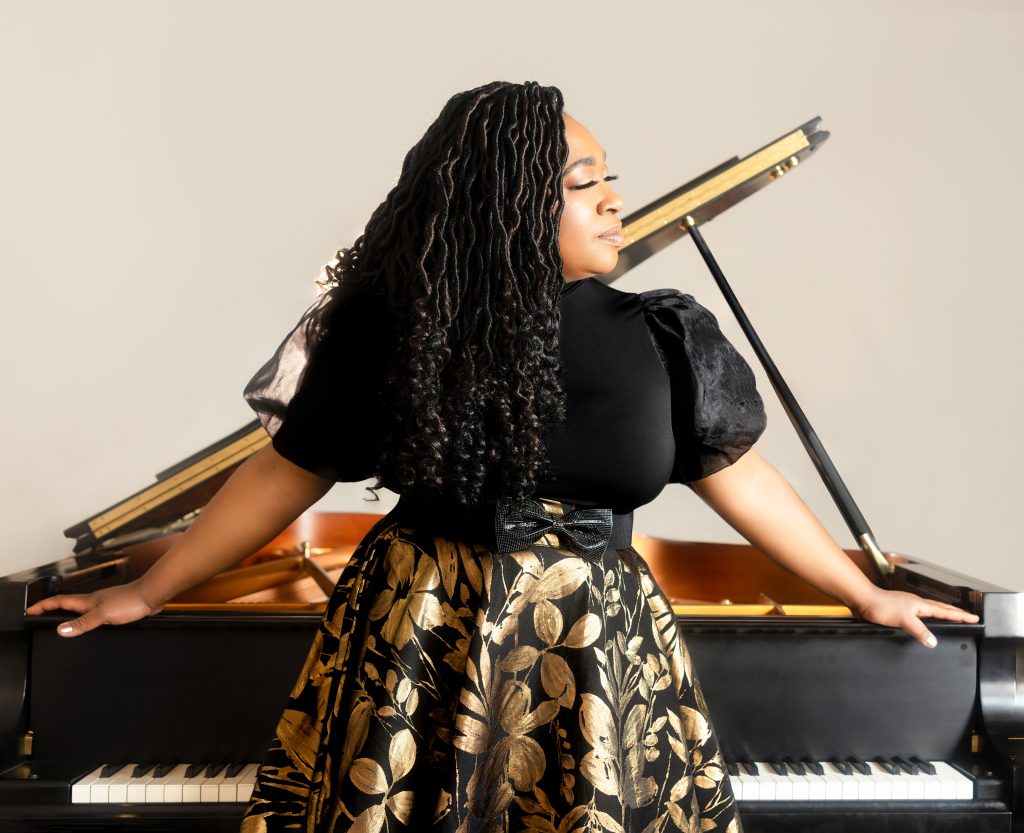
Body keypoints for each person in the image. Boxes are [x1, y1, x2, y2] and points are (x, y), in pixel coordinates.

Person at [27, 81, 979, 833]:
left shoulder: (664, 335)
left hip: (600, 644)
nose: (616, 199)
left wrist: (864, 591)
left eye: (611, 176)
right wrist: (147, 591)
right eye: (584, 181)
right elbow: (283, 472)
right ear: (514, 199)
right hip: (418, 632)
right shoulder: (389, 331)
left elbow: (745, 481)